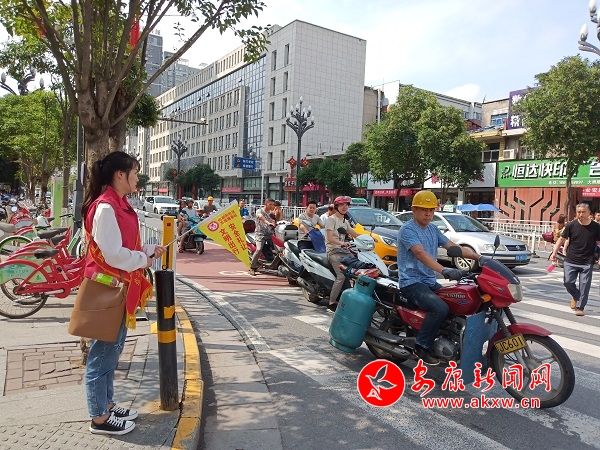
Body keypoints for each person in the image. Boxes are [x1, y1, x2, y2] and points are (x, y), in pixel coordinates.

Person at [81, 151, 165, 435]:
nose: (137, 178)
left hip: (117, 288)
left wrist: (146, 250)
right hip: (108, 290)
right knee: (102, 355)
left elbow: (120, 246)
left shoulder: (116, 203)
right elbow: (113, 255)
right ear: (120, 175)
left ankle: (107, 404)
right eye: (135, 172)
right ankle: (99, 418)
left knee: (110, 352)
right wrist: (143, 259)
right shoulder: (106, 207)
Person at [397, 190, 480, 366]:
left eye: (431, 210)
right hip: (411, 282)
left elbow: (452, 246)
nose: (428, 213)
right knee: (440, 308)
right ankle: (422, 346)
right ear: (414, 210)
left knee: (456, 302)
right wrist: (444, 270)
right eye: (423, 209)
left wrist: (479, 258)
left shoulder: (433, 229)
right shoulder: (407, 229)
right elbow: (420, 253)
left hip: (429, 281)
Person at [550, 203, 600, 317]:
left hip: (587, 261)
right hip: (571, 260)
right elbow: (561, 239)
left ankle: (580, 307)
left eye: (583, 212)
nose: (580, 214)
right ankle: (576, 296)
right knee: (568, 282)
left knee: (585, 285)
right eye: (578, 212)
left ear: (589, 213)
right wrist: (554, 253)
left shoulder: (596, 227)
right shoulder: (571, 225)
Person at [325, 196, 359, 313]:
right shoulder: (331, 219)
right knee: (341, 276)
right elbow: (330, 238)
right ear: (336, 207)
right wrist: (342, 243)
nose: (344, 207)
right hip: (333, 251)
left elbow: (354, 233)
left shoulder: (345, 221)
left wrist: (369, 238)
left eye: (346, 205)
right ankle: (331, 302)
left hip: (344, 251)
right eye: (341, 205)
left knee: (358, 270)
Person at [249, 198, 276, 276]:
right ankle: (252, 267)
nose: (272, 206)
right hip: (260, 234)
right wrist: (268, 222)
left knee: (278, 249)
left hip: (270, 234)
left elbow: (274, 220)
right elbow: (261, 217)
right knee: (259, 249)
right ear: (266, 204)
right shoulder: (259, 211)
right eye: (270, 204)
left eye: (273, 204)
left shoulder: (272, 213)